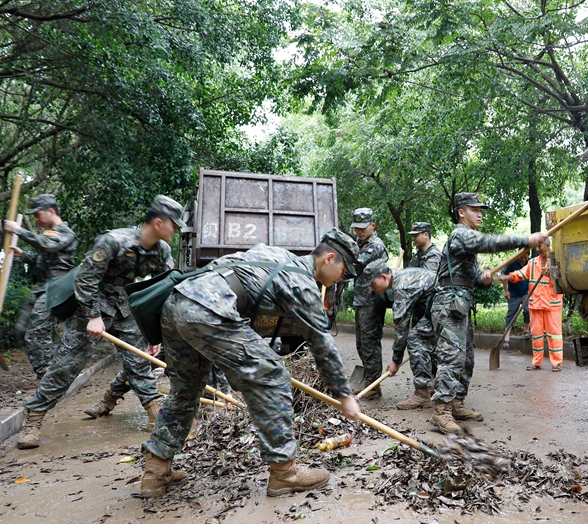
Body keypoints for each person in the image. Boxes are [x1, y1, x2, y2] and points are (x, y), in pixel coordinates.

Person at [139, 229, 361, 498]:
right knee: (273, 375)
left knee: (186, 389)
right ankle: (284, 472)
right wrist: (344, 394)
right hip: (207, 308)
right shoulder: (302, 282)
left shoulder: (276, 255)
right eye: (344, 272)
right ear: (329, 258)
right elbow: (322, 343)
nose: (341, 280)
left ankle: (155, 472)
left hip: (175, 304)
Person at [17, 195, 184, 449]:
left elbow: (159, 292)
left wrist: (155, 335)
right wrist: (93, 316)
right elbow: (85, 279)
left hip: (124, 306)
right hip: (92, 305)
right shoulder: (113, 241)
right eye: (175, 224)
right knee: (66, 367)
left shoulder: (162, 251)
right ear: (159, 222)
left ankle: (155, 417)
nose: (177, 229)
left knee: (138, 362)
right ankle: (33, 419)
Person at [429, 193, 546, 434]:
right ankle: (441, 411)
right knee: (451, 358)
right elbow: (488, 243)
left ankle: (456, 402)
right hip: (448, 304)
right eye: (475, 209)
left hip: (459, 305)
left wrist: (483, 279)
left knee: (466, 358)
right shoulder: (460, 234)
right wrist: (526, 239)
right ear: (461, 212)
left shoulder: (467, 243)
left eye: (481, 209)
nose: (480, 213)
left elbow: (472, 277)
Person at [3, 194, 78, 379]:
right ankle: (48, 371)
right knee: (21, 331)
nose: (36, 219)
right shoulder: (49, 232)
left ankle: (52, 374)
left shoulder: (66, 233)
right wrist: (24, 256)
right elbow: (43, 259)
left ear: (51, 211)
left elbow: (47, 246)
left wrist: (18, 230)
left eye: (37, 215)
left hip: (57, 287)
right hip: (42, 286)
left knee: (36, 334)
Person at [370, 264, 437, 409]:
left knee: (415, 339)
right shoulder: (404, 276)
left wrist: (396, 360)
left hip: (443, 305)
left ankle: (422, 394)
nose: (373, 290)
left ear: (383, 277)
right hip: (439, 304)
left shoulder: (401, 287)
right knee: (428, 341)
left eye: (374, 285)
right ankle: (435, 384)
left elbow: (402, 327)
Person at [501, 239, 563, 371]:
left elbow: (562, 282)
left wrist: (551, 275)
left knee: (554, 334)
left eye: (540, 246)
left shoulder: (556, 261)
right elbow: (520, 274)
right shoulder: (532, 262)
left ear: (548, 246)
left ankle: (556, 363)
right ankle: (536, 362)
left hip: (552, 304)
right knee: (537, 334)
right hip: (536, 304)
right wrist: (508, 277)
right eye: (537, 247)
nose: (538, 249)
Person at [350, 207, 388, 398]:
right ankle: (370, 381)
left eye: (363, 227)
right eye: (356, 228)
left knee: (370, 344)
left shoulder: (375, 246)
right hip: (361, 301)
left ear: (372, 225)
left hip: (372, 302)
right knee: (361, 343)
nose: (360, 231)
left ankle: (373, 386)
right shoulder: (358, 242)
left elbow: (355, 264)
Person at [500, 250, 531, 349]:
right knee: (511, 315)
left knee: (528, 310)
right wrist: (506, 291)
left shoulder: (530, 263)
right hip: (513, 294)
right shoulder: (512, 263)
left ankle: (526, 330)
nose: (523, 259)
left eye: (525, 257)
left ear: (528, 256)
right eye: (521, 257)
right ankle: (506, 339)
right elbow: (504, 276)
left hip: (526, 293)